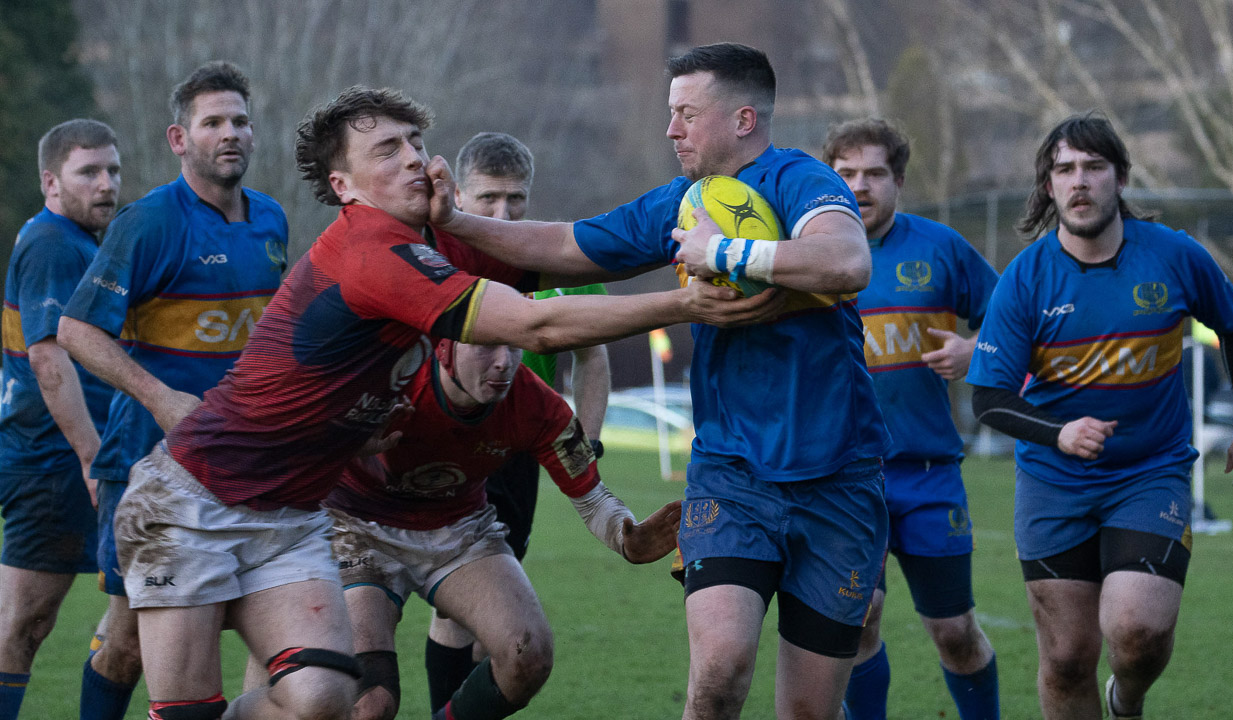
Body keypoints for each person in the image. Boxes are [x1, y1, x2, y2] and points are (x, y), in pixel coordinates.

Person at [73, 84, 772, 720]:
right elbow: (537, 324)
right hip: (194, 499)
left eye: (414, 142)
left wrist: (688, 216)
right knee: (199, 706)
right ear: (343, 185)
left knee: (322, 700)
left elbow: (568, 253)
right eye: (388, 149)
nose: (413, 159)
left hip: (289, 516)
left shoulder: (435, 242)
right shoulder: (371, 251)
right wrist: (686, 303)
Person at [427, 43, 890, 720]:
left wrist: (723, 252)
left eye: (684, 114)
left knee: (808, 712)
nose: (670, 130)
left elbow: (847, 261)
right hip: (733, 478)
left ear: (741, 119)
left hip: (839, 480)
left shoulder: (800, 180)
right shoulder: (681, 201)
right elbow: (565, 246)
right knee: (719, 674)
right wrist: (456, 222)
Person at [967, 113, 1233, 720]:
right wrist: (1060, 433)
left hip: (1148, 471)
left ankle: (1125, 698)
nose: (1079, 182)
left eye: (1093, 167)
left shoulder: (1175, 256)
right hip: (1054, 485)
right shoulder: (1025, 278)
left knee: (1138, 632)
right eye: (1064, 170)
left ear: (1121, 178)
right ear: (1048, 187)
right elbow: (988, 398)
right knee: (1067, 657)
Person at [57, 61, 289, 720]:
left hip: (245, 465)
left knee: (252, 623)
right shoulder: (150, 223)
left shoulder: (271, 221)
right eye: (212, 122)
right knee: (129, 641)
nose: (230, 134)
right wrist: (159, 397)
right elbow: (75, 330)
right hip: (151, 464)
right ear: (178, 139)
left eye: (240, 121)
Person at [326, 338, 677, 720]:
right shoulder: (388, 376)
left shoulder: (534, 402)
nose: (503, 363)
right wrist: (342, 441)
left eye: (513, 348)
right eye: (485, 346)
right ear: (444, 348)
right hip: (358, 529)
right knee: (371, 704)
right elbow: (290, 432)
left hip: (459, 529)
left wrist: (626, 537)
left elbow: (592, 498)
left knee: (529, 656)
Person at [423, 131, 614, 711]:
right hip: (441, 444)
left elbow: (594, 354)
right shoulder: (434, 256)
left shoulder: (552, 261)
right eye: (487, 199)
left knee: (489, 626)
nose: (504, 213)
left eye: (516, 199)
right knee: (455, 609)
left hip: (516, 455)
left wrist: (589, 439)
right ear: (458, 191)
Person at [821, 119, 1000, 719]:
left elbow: (1018, 325)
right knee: (860, 620)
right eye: (845, 173)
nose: (859, 185)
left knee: (954, 632)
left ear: (898, 180)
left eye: (874, 173)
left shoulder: (942, 249)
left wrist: (976, 351)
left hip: (928, 473)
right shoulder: (809, 257)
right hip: (845, 479)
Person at [0, 119, 120, 719]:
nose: (107, 185)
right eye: (89, 172)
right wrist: (92, 456)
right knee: (24, 623)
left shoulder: (73, 239)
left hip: (70, 454)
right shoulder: (53, 244)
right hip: (53, 459)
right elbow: (48, 359)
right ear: (51, 181)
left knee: (140, 605)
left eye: (113, 171)